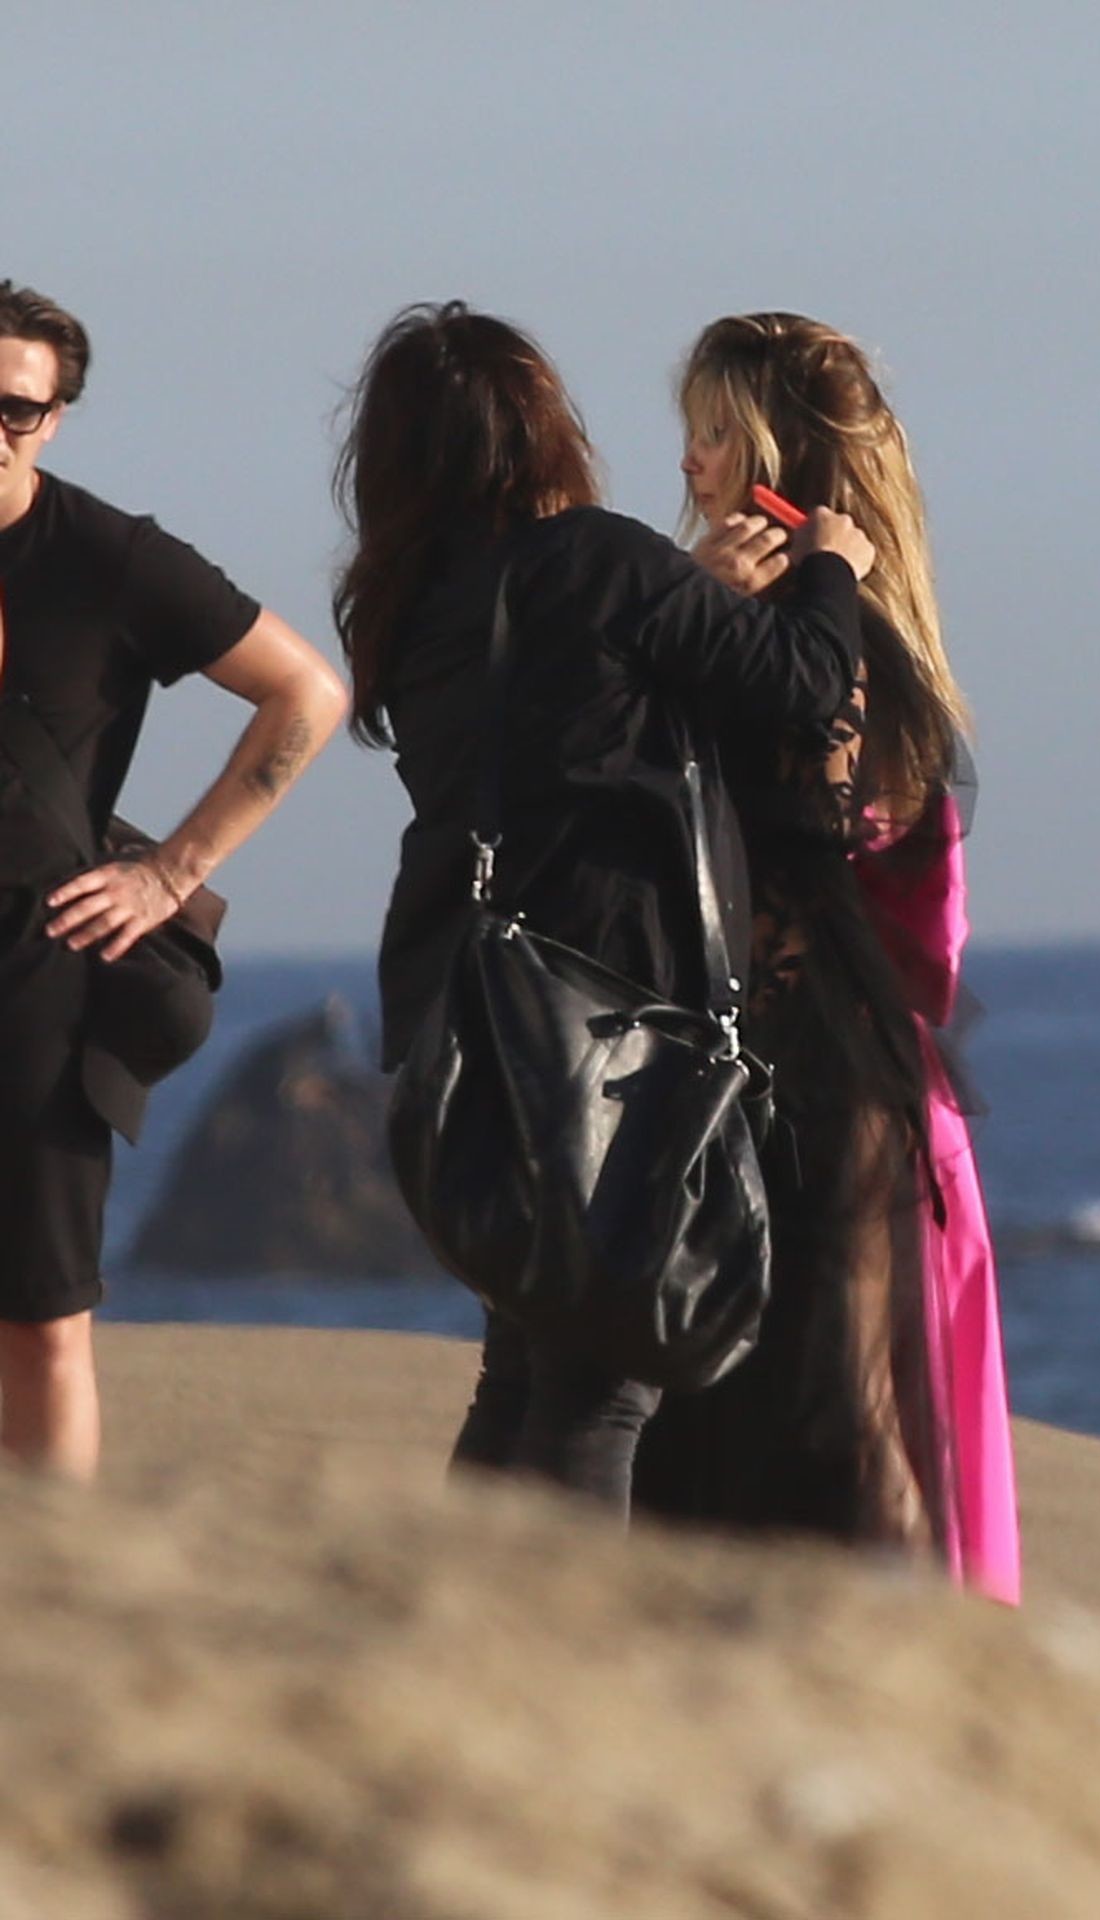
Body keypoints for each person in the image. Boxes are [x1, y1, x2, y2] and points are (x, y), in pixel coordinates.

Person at [331, 302, 876, 1523]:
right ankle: (554, 1636)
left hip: (464, 1016)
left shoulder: (407, 601)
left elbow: (572, 720)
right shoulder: (598, 560)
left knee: (523, 1364)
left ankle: (458, 1615)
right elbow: (804, 686)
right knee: (603, 1384)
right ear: (541, 430)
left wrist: (687, 598)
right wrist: (832, 568)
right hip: (609, 1021)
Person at [632, 312, 1021, 1602]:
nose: (687, 460)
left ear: (773, 457)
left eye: (710, 432)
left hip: (801, 1072)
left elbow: (785, 829)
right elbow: (931, 930)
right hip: (845, 1065)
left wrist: (694, 619)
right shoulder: (875, 643)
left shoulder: (813, 647)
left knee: (836, 1421)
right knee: (839, 1414)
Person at [0, 279, 348, 1479]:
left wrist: (171, 870)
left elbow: (306, 693)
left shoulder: (107, 556)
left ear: (53, 419)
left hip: (34, 978)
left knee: (42, 1323)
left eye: (16, 409)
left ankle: (54, 1572)